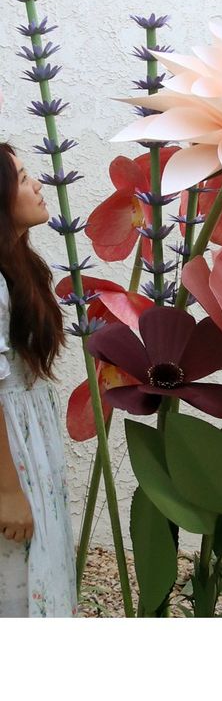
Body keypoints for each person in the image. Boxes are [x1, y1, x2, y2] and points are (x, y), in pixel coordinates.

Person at [0, 143, 76, 616]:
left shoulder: (19, 268)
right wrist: (7, 492)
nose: (38, 186)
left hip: (28, 443)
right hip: (9, 456)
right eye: (24, 178)